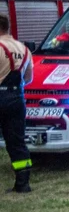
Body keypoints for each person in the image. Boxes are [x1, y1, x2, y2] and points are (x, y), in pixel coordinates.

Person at [1, 15, 33, 193]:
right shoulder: (24, 49)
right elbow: (28, 78)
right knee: (17, 141)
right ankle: (23, 183)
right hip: (17, 99)